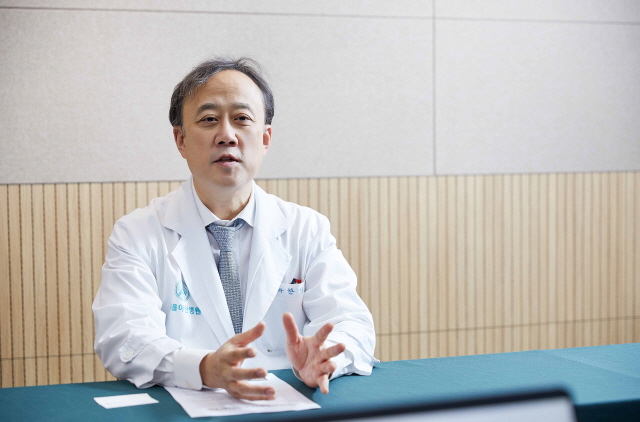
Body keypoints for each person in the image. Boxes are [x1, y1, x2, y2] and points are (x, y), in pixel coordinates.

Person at [93, 57, 377, 400]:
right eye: (209, 119)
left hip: (286, 404)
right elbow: (124, 338)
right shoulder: (137, 233)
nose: (226, 135)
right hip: (183, 408)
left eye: (242, 118)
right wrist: (203, 368)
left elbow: (352, 323)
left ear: (266, 138)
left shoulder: (306, 229)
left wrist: (326, 357)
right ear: (180, 139)